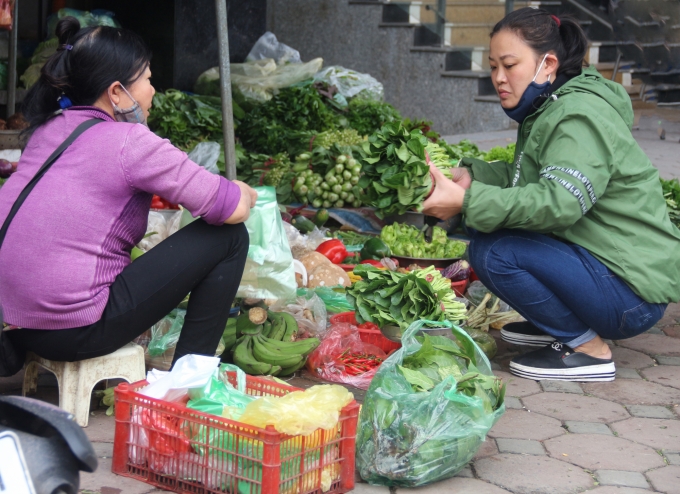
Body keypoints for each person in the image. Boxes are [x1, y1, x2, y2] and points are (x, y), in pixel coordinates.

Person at [422, 7, 680, 382]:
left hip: (632, 296)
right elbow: (527, 178)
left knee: (492, 251)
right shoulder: (551, 106)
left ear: (548, 65)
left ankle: (587, 349)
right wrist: (470, 177)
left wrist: (468, 202)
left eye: (509, 65)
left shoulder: (578, 116)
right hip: (613, 273)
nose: (499, 78)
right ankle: (561, 324)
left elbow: (558, 202)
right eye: (493, 66)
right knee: (493, 232)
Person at [0, 17, 257, 370]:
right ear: (117, 92)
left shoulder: (49, 129)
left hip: (17, 321)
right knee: (230, 236)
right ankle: (189, 377)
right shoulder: (130, 142)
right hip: (77, 331)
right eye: (148, 79)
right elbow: (230, 209)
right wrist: (242, 191)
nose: (153, 90)